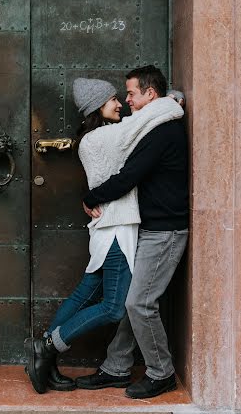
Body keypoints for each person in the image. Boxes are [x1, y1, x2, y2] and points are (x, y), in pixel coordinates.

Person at [25, 76, 184, 394]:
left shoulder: (96, 138)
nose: (121, 104)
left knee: (85, 293)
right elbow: (144, 119)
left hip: (110, 228)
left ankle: (45, 356)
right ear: (99, 106)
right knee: (114, 307)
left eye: (123, 96)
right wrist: (172, 100)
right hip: (115, 230)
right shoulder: (105, 137)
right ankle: (49, 347)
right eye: (114, 99)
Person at [75, 65, 189, 399]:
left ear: (150, 94)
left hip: (166, 232)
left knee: (139, 303)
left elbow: (130, 175)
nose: (127, 102)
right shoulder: (153, 123)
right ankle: (116, 367)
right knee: (130, 301)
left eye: (131, 94)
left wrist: (91, 197)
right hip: (152, 229)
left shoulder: (162, 131)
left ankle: (161, 372)